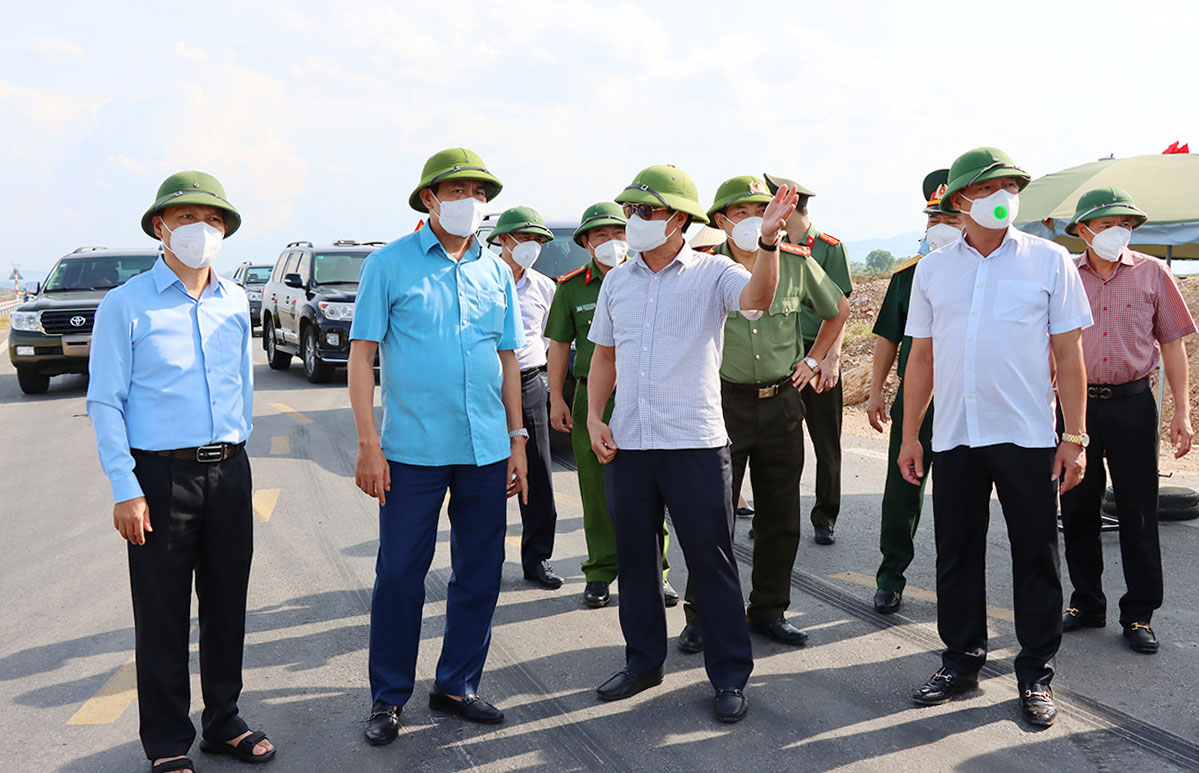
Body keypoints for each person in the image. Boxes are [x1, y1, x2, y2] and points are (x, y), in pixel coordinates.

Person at [587, 164, 796, 723]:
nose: (633, 221)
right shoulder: (616, 282)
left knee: (711, 562)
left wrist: (770, 241)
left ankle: (729, 674)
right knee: (636, 562)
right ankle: (643, 663)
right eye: (630, 211)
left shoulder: (713, 272)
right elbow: (605, 355)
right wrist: (592, 415)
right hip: (629, 444)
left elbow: (757, 297)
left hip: (696, 446)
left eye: (646, 212)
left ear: (679, 218)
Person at [898, 147, 1093, 727]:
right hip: (956, 434)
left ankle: (1035, 670)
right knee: (957, 552)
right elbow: (923, 359)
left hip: (1028, 435)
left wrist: (1075, 434)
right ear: (961, 201)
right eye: (991, 187)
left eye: (1011, 185)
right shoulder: (933, 270)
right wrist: (912, 433)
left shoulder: (1050, 260)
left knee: (1036, 553)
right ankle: (961, 661)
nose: (1004, 195)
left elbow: (1068, 352)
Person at [87, 172, 275, 773]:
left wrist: (235, 447)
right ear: (160, 227)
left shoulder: (235, 299)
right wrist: (125, 486)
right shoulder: (127, 303)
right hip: (159, 479)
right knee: (163, 613)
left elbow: (242, 384)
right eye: (188, 217)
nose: (202, 229)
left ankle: (224, 721)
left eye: (214, 219)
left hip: (229, 471)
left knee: (227, 605)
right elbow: (104, 400)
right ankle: (168, 741)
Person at [350, 148, 528, 747]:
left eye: (478, 193)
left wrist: (518, 440)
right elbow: (362, 356)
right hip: (410, 453)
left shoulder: (495, 270)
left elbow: (507, 359)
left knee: (480, 573)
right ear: (429, 199)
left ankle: (456, 684)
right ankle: (388, 696)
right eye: (456, 193)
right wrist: (368, 443)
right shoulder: (388, 265)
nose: (469, 203)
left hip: (485, 451)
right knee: (400, 573)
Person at [678, 175, 849, 653]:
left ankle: (769, 610)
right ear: (720, 221)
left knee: (781, 516)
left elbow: (838, 309)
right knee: (711, 518)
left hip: (781, 403)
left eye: (763, 208)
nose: (757, 218)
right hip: (720, 404)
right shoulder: (703, 271)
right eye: (743, 211)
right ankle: (701, 615)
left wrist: (814, 359)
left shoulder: (796, 263)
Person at [1058, 186, 1196, 654]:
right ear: (1083, 231)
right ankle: (1086, 602)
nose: (1121, 233)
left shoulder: (1153, 274)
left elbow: (1174, 344)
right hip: (1076, 408)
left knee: (1138, 510)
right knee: (1077, 507)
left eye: (1128, 225)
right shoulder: (1063, 275)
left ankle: (1139, 613)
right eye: (1109, 224)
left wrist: (1182, 410)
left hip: (1134, 405)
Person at [545, 202, 676, 609]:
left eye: (618, 233)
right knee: (597, 491)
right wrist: (557, 398)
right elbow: (559, 348)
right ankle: (601, 572)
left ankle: (660, 573)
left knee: (656, 487)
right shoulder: (571, 288)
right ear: (585, 242)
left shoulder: (653, 278)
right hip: (593, 395)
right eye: (601, 235)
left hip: (644, 392)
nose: (611, 242)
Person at [866, 169, 963, 614]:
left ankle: (956, 583)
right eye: (933, 218)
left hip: (967, 397)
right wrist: (875, 391)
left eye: (951, 218)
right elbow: (888, 336)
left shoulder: (984, 272)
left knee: (959, 495)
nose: (941, 226)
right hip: (917, 398)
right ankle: (890, 576)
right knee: (903, 490)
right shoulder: (910, 274)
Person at [763, 173, 852, 545]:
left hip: (817, 359)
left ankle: (825, 516)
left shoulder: (829, 248)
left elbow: (842, 309)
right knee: (773, 446)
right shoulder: (771, 248)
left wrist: (830, 359)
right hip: (780, 359)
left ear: (788, 205)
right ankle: (770, 517)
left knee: (825, 443)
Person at [486, 206, 563, 590]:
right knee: (482, 474)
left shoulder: (545, 287)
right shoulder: (481, 278)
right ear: (503, 240)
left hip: (531, 382)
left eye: (537, 241)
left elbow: (548, 339)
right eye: (524, 239)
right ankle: (483, 559)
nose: (530, 247)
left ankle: (537, 559)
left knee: (537, 474)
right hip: (484, 384)